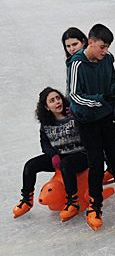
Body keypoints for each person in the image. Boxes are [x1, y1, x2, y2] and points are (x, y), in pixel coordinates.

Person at [67, 24, 115, 231]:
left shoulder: (107, 59)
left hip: (105, 116)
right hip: (87, 120)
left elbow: (110, 82)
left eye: (107, 47)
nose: (105, 51)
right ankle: (95, 206)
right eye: (102, 47)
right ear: (90, 42)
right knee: (96, 162)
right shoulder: (76, 64)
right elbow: (74, 96)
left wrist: (114, 90)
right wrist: (101, 99)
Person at [12, 88, 87, 221]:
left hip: (81, 155)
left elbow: (89, 130)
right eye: (52, 101)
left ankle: (73, 201)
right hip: (60, 155)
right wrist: (53, 155)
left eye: (58, 98)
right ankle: (27, 200)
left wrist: (77, 116)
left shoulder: (73, 114)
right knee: (30, 165)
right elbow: (45, 144)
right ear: (46, 107)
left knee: (66, 165)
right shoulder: (46, 123)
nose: (57, 102)